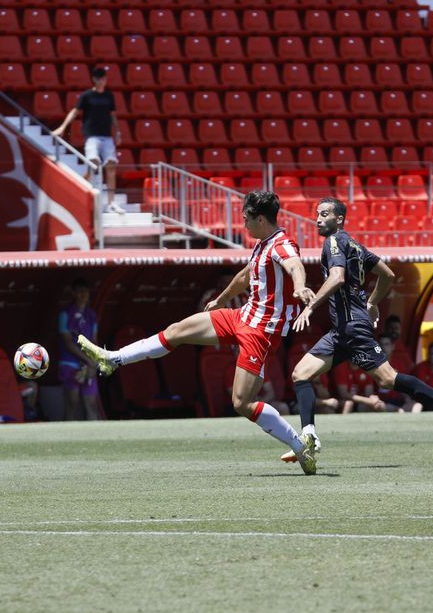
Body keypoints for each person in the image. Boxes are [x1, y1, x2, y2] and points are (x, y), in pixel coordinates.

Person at [75, 190, 317, 472]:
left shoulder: (282, 244)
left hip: (261, 331)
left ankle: (301, 447)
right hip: (242, 316)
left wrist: (300, 287)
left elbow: (295, 266)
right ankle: (114, 358)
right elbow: (244, 275)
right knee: (178, 330)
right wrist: (223, 299)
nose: (243, 224)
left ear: (261, 219)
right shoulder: (263, 243)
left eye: (246, 219)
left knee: (241, 402)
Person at [285, 197, 433, 468]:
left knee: (388, 380)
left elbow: (337, 278)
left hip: (353, 328)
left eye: (324, 214)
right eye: (317, 214)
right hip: (342, 330)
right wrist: (371, 302)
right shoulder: (356, 246)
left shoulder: (335, 242)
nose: (318, 219)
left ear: (339, 219)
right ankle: (309, 436)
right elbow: (387, 275)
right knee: (301, 374)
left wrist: (311, 307)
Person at [51, 65, 123, 210]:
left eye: (103, 78)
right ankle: (81, 188)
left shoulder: (109, 96)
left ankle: (111, 202)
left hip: (107, 136)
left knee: (111, 166)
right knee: (93, 163)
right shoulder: (87, 96)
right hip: (92, 136)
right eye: (99, 79)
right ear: (94, 80)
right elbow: (75, 112)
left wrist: (118, 131)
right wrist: (62, 127)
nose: (102, 81)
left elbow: (113, 115)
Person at [55, 277, 105, 421]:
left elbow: (94, 340)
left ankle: (95, 438)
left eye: (85, 291)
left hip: (88, 362)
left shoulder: (92, 315)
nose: (83, 294)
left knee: (91, 403)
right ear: (73, 293)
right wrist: (88, 361)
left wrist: (94, 362)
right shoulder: (65, 314)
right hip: (70, 362)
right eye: (79, 291)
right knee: (72, 401)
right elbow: (68, 343)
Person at [403, 340, 433, 412]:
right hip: (414, 399)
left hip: (430, 399)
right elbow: (422, 391)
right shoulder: (421, 368)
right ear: (428, 354)